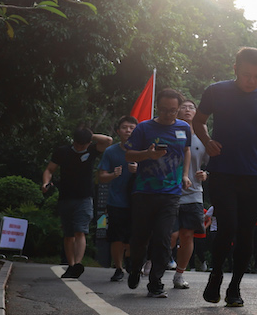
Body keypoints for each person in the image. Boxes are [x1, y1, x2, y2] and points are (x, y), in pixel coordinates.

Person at [194, 46, 257, 308]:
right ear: (235, 69)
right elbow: (198, 121)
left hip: (253, 173)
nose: (251, 81)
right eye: (246, 75)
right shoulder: (216, 91)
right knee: (227, 226)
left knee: (247, 233)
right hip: (222, 170)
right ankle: (216, 273)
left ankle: (235, 287)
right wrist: (207, 141)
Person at [125, 89, 192, 297]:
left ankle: (155, 282)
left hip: (171, 193)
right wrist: (148, 154)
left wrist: (185, 174)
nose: (168, 115)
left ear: (178, 109)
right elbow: (128, 153)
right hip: (144, 191)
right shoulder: (144, 128)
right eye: (164, 110)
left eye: (173, 111)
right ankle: (135, 268)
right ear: (157, 108)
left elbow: (187, 150)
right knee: (140, 238)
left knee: (163, 238)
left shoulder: (184, 127)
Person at [43, 125, 114, 278]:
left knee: (80, 231)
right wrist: (45, 183)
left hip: (85, 197)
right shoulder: (63, 151)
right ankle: (71, 264)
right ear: (73, 141)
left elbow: (109, 140)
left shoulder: (92, 150)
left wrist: (89, 135)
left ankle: (77, 264)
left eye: (84, 144)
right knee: (68, 234)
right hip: (66, 197)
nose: (81, 147)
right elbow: (49, 170)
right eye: (78, 143)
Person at [172, 98, 209, 290]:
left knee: (187, 235)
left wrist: (205, 174)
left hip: (193, 192)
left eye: (191, 107)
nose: (187, 110)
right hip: (168, 190)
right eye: (183, 107)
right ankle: (154, 261)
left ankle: (179, 274)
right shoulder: (171, 134)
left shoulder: (203, 138)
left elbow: (213, 164)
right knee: (170, 234)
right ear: (177, 112)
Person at [97, 116, 138, 282]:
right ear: (118, 131)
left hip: (138, 201)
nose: (128, 130)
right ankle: (119, 268)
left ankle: (131, 261)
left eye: (131, 128)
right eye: (124, 127)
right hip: (116, 201)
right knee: (116, 237)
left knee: (134, 237)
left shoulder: (143, 150)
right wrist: (113, 175)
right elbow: (101, 176)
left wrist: (137, 170)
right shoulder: (111, 152)